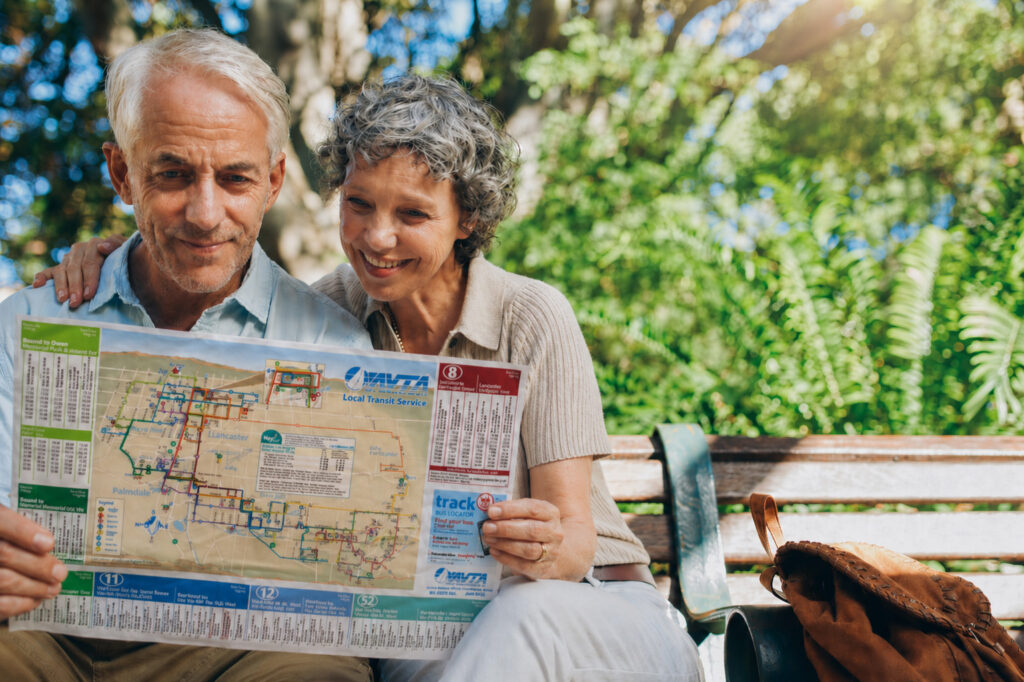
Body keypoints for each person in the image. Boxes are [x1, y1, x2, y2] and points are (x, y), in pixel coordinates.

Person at [38, 75, 705, 681]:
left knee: (517, 622)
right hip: (441, 625)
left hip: (596, 611)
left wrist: (538, 546)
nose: (377, 238)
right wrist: (102, 258)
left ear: (465, 218)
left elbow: (576, 544)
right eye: (359, 204)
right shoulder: (329, 313)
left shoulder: (528, 316)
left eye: (412, 215)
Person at [1, 29, 373, 681]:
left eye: (235, 178)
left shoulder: (331, 345)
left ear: (274, 179)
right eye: (172, 175)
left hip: (239, 644)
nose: (205, 214)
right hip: (42, 629)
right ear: (122, 174)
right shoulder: (31, 322)